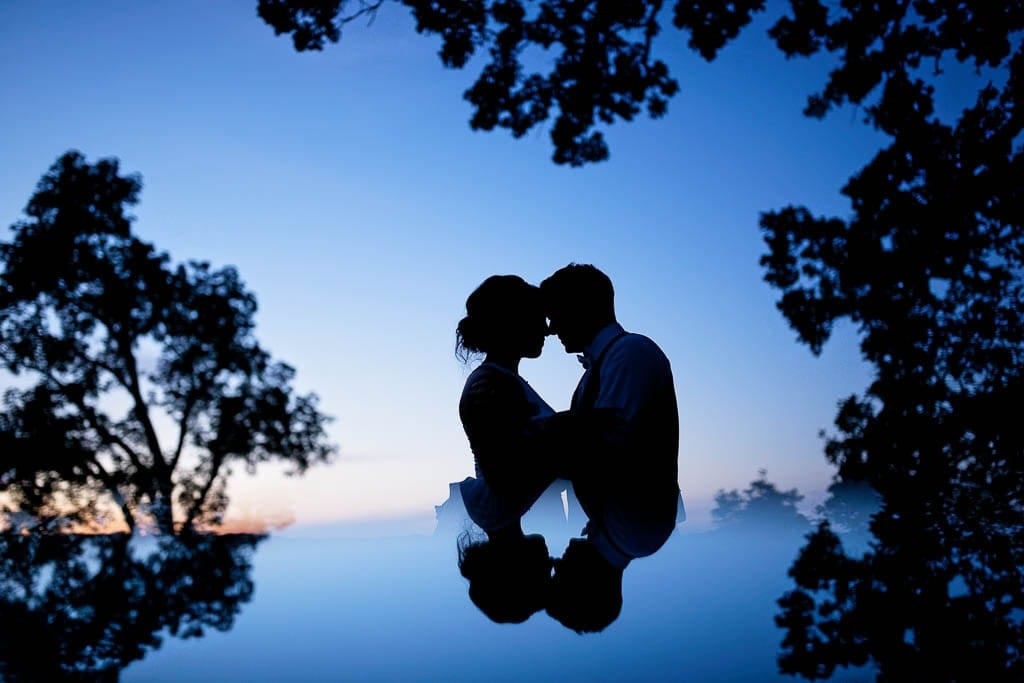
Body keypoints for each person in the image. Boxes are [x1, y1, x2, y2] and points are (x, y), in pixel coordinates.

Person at [540, 263, 684, 630]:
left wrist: (550, 434)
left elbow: (608, 448)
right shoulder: (636, 536)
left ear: (580, 307)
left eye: (554, 314)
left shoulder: (630, 354)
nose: (551, 327)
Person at [452, 274, 562, 623]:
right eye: (537, 318)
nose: (546, 330)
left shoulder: (502, 381)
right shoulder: (490, 385)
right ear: (511, 322)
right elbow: (504, 470)